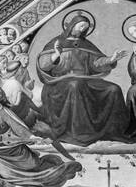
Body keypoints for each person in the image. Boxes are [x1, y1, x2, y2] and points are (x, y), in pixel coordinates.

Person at [35, 9, 128, 143]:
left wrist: (111, 60)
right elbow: (44, 65)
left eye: (85, 27)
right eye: (80, 26)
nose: (82, 29)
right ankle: (79, 132)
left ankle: (112, 131)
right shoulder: (56, 42)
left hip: (86, 80)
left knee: (113, 89)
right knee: (75, 85)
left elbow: (96, 63)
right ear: (72, 26)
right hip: (60, 82)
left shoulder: (87, 45)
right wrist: (56, 54)